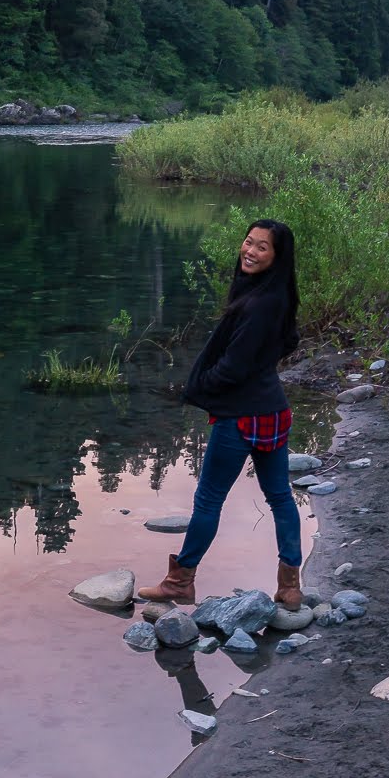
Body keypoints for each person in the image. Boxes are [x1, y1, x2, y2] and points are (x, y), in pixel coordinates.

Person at [138, 219, 303, 610]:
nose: (250, 251)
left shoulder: (260, 304)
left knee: (209, 500)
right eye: (249, 242)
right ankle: (290, 586)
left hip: (243, 417)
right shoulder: (277, 294)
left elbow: (233, 366)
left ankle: (180, 582)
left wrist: (198, 387)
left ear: (276, 257)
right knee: (280, 496)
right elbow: (283, 345)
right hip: (273, 411)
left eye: (263, 247)